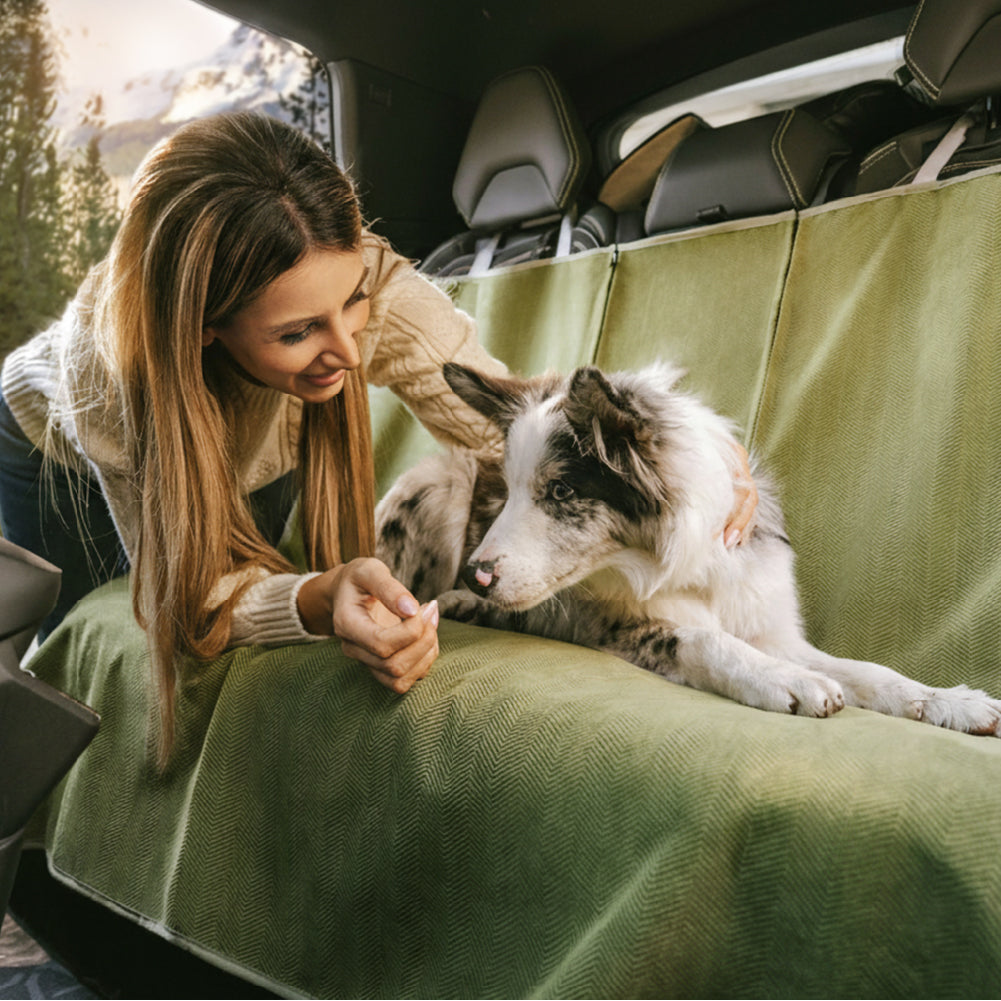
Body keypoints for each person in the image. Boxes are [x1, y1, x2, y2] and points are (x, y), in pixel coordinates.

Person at [0, 111, 757, 764]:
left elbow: (520, 423)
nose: (352, 354)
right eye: (299, 330)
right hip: (52, 451)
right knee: (84, 654)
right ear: (206, 331)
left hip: (256, 422)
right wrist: (320, 596)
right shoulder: (114, 384)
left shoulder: (378, 295)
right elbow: (191, 599)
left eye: (352, 301)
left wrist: (701, 466)